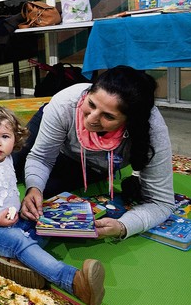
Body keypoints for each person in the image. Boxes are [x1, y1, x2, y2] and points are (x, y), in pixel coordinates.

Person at [0, 105, 106, 305]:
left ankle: (17, 263)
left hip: (11, 220)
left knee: (42, 221)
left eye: (5, 136)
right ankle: (74, 281)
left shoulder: (6, 158)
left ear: (15, 139)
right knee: (19, 241)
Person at [19, 65, 176, 241]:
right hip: (56, 128)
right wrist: (34, 187)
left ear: (129, 122)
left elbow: (162, 203)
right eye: (91, 104)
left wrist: (123, 226)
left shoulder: (152, 131)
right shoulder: (66, 103)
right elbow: (42, 156)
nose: (91, 119)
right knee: (6, 158)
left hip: (88, 164)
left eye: (108, 116)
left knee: (50, 195)